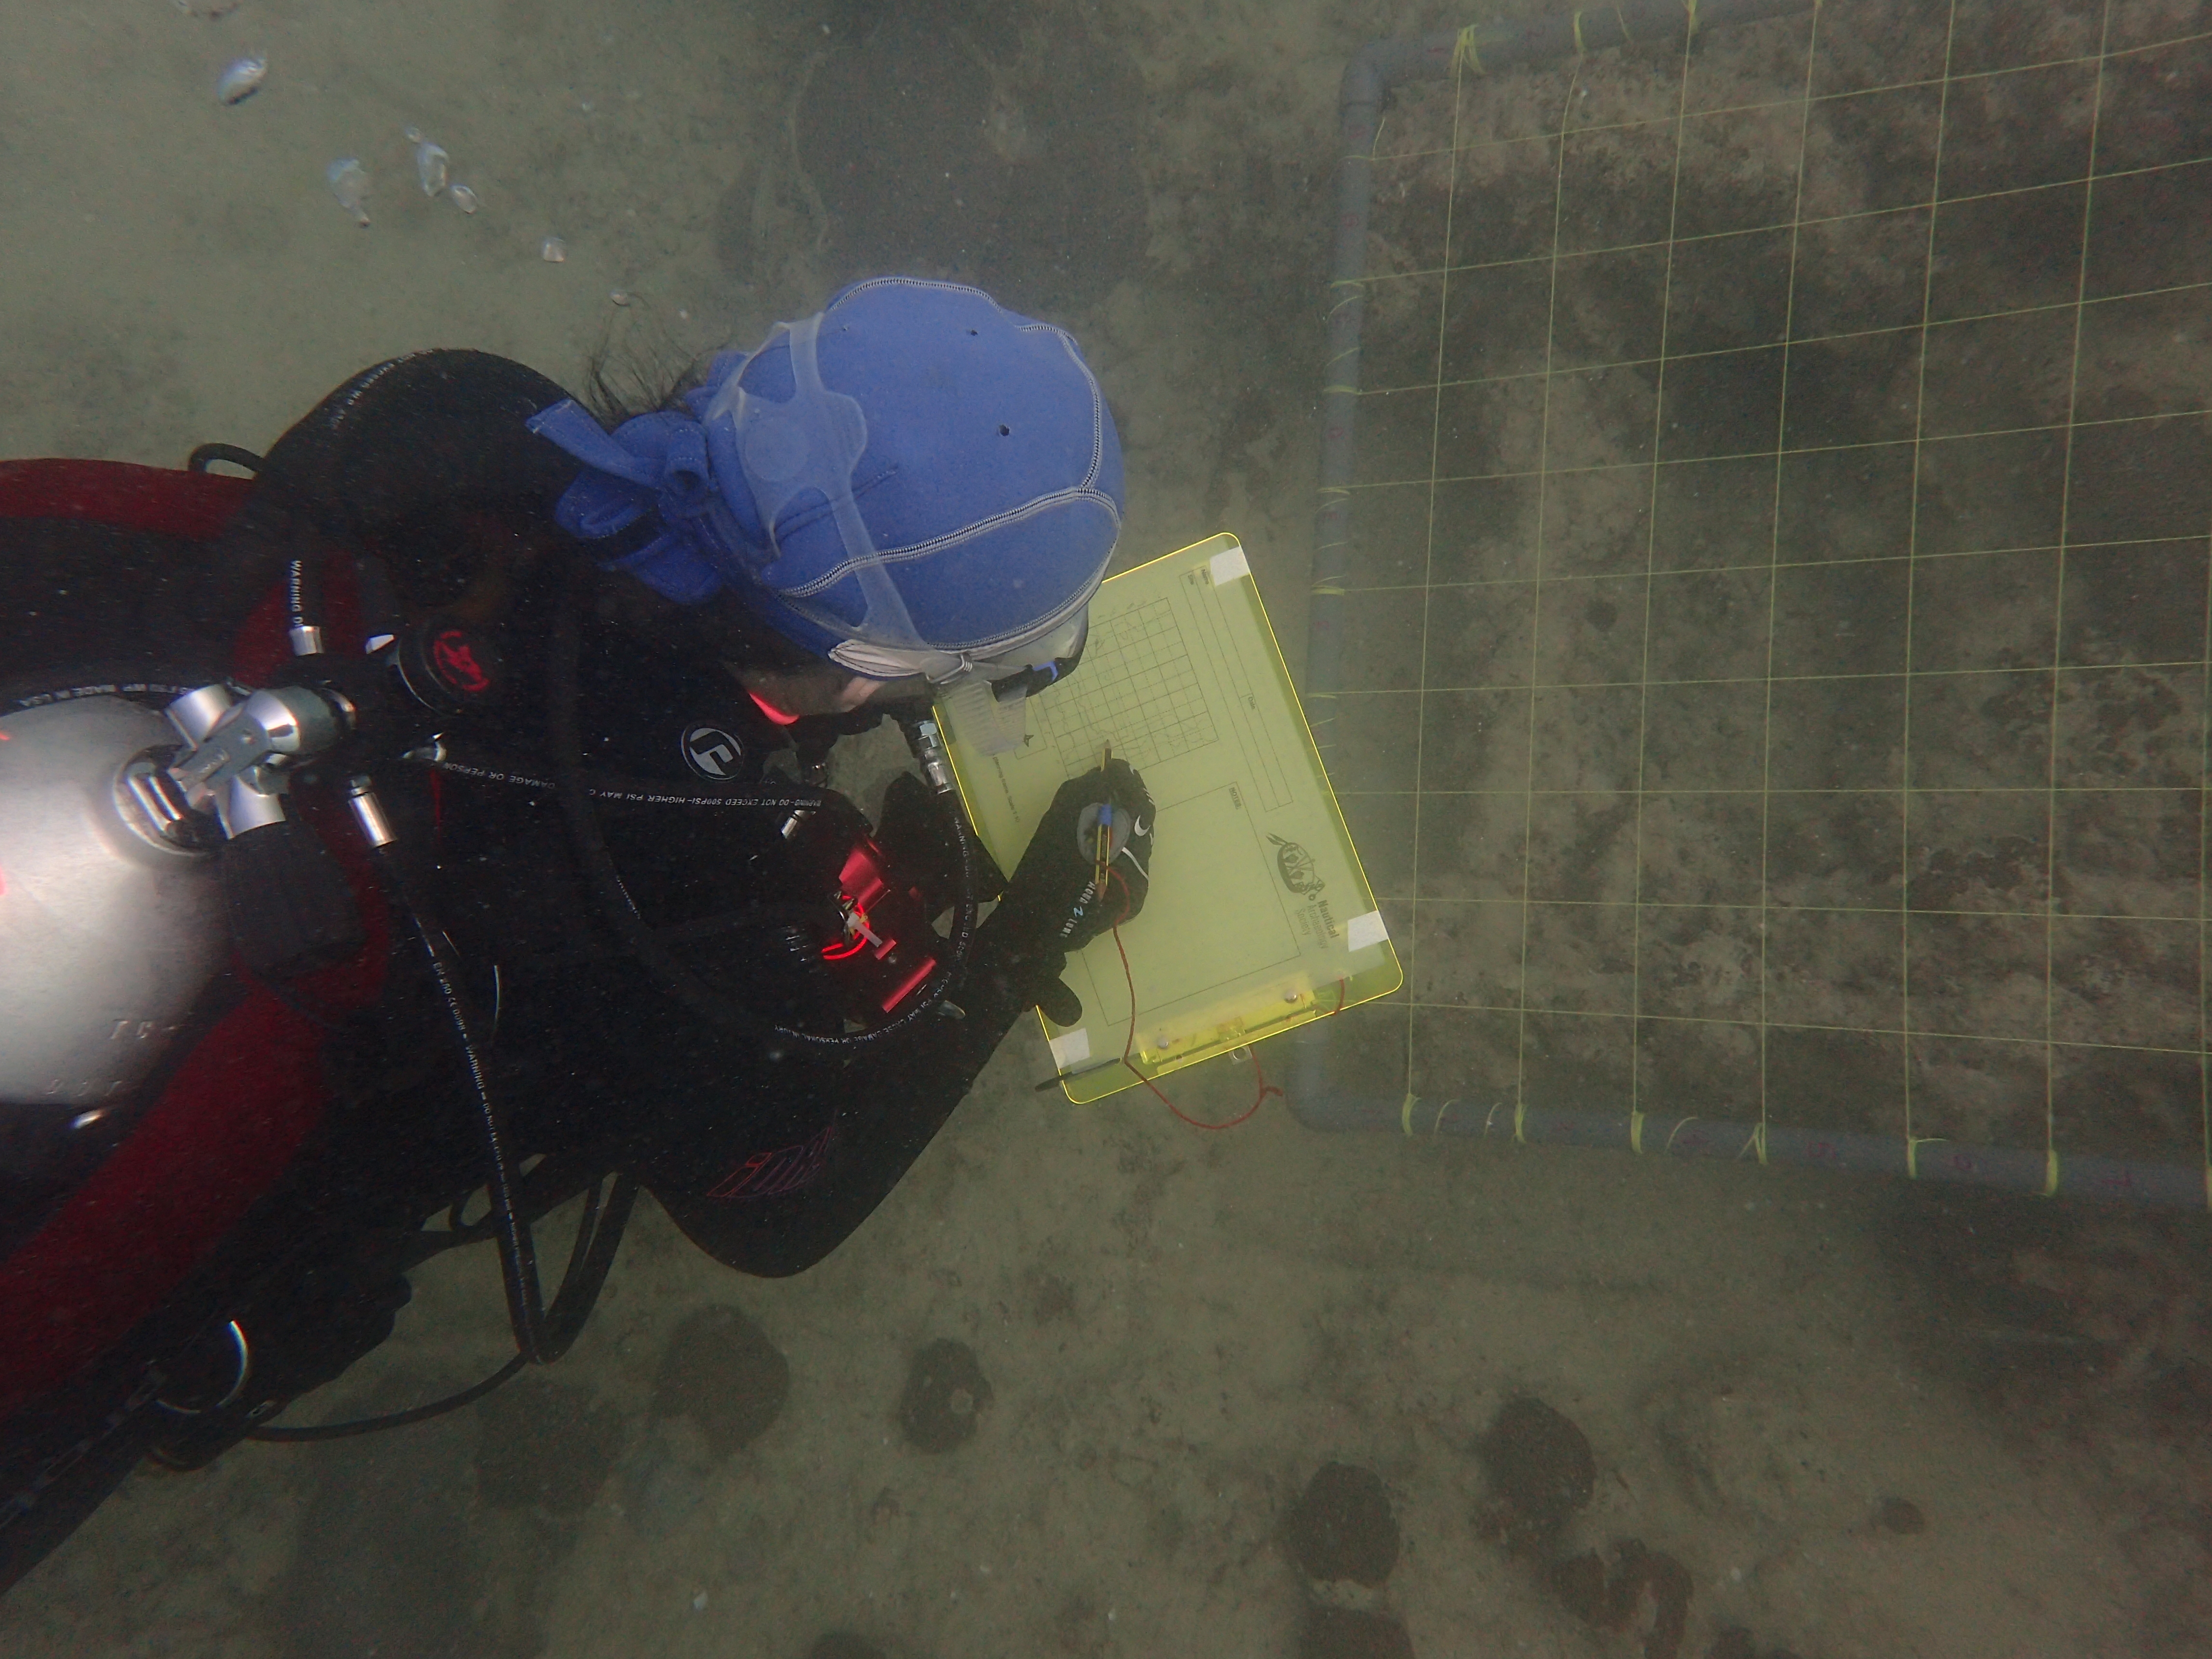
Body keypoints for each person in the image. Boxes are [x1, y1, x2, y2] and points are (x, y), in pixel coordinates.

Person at [0, 277, 1156, 1593]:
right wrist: (1020, 940)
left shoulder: (467, 435)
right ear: (866, 676)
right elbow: (782, 1209)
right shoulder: (683, 919)